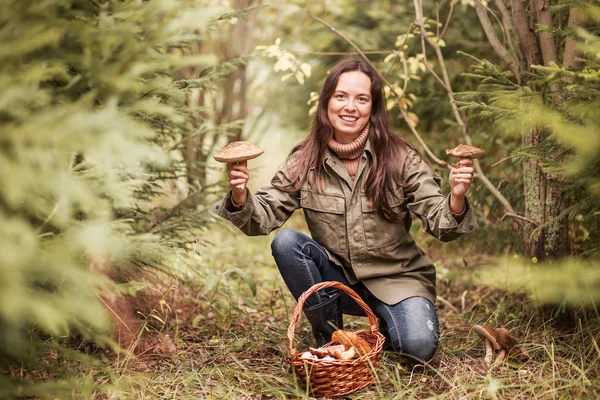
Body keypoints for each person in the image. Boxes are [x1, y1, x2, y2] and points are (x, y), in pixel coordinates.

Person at [211, 56, 477, 362]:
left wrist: (456, 196)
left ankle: (389, 329)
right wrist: (240, 194)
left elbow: (439, 223)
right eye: (341, 96)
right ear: (326, 102)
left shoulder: (401, 156)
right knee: (286, 243)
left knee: (417, 348)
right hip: (338, 279)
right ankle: (330, 339)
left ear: (372, 107)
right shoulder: (305, 158)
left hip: (397, 279)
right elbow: (264, 217)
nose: (350, 107)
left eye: (361, 99)